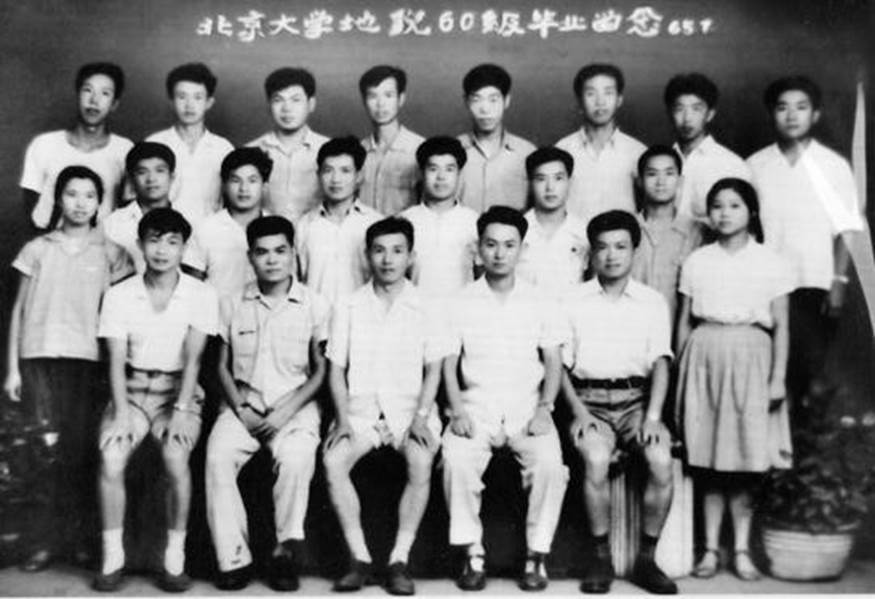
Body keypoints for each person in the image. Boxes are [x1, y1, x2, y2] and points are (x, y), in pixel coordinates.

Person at [4, 166, 134, 572]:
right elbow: (18, 310)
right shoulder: (37, 249)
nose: (80, 203)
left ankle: (78, 542)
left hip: (88, 363)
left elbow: (121, 315)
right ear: (58, 198)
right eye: (72, 194)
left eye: (89, 195)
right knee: (43, 452)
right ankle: (42, 542)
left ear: (99, 203)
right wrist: (12, 369)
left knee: (81, 453)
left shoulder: (112, 252)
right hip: (39, 358)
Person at [442, 206, 569, 592]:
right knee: (455, 459)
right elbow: (448, 363)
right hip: (475, 409)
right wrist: (457, 411)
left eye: (509, 245)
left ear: (522, 250)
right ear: (478, 249)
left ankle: (536, 556)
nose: (499, 253)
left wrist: (545, 409)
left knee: (550, 464)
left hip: (527, 410)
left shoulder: (540, 300)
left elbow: (553, 361)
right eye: (491, 244)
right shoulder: (460, 301)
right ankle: (472, 554)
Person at [93, 208, 218, 593]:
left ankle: (173, 561)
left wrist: (181, 411)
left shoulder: (201, 294)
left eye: (172, 242)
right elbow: (115, 361)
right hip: (131, 391)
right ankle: (113, 559)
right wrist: (120, 414)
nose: (162, 250)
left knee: (176, 456)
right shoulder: (119, 294)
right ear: (140, 244)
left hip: (178, 392)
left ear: (183, 248)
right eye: (153, 240)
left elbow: (194, 360)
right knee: (112, 456)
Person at [675, 178, 793, 580]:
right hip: (705, 357)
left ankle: (741, 549)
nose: (724, 213)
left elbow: (783, 326)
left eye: (734, 205)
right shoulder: (697, 261)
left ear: (751, 212)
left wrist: (777, 379)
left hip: (752, 358)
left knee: (744, 459)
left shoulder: (771, 262)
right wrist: (681, 372)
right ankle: (710, 550)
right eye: (717, 206)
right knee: (709, 460)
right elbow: (684, 321)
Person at [206, 216, 328, 592]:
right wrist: (241, 408)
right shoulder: (232, 303)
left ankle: (282, 554)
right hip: (242, 405)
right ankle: (234, 558)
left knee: (296, 459)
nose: (272, 260)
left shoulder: (315, 304)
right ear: (250, 257)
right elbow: (220, 365)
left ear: (293, 254)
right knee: (218, 457)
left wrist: (287, 411)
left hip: (295, 406)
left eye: (280, 251)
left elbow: (321, 370)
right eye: (262, 252)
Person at [324, 217, 445, 595]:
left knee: (421, 460)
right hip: (359, 413)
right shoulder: (349, 304)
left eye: (397, 251)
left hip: (410, 413)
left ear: (411, 256)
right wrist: (342, 421)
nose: (388, 260)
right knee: (333, 461)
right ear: (367, 256)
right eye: (379, 251)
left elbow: (434, 369)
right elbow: (335, 369)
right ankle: (358, 558)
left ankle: (398, 560)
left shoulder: (426, 305)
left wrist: (421, 419)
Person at [562, 210, 677, 594]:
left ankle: (646, 559)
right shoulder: (573, 300)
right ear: (591, 254)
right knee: (595, 458)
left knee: (660, 459)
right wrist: (579, 413)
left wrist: (653, 417)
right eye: (602, 248)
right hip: (588, 400)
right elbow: (560, 367)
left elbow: (661, 362)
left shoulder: (651, 301)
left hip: (636, 403)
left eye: (620, 247)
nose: (611, 255)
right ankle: (601, 557)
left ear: (633, 251)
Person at [747, 75, 863, 404]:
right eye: (782, 108)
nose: (791, 115)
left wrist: (839, 281)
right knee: (770, 368)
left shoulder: (834, 165)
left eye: (800, 107)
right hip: (766, 283)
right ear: (772, 114)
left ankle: (807, 431)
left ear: (815, 115)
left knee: (809, 370)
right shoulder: (755, 165)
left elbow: (847, 228)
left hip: (814, 278)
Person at [21, 62, 133, 228]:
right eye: (87, 90)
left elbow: (128, 208)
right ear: (78, 95)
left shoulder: (124, 150)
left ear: (114, 104)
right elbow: (29, 207)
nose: (94, 100)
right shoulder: (44, 144)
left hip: (103, 240)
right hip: (49, 238)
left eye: (105, 93)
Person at [296, 136, 382, 306]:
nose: (336, 179)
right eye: (328, 170)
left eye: (345, 171)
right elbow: (297, 281)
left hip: (362, 318)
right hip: (315, 318)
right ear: (318, 175)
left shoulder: (375, 223)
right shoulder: (304, 225)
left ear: (359, 176)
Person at [556, 63, 646, 226]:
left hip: (621, 240)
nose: (600, 101)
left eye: (608, 93)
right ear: (579, 102)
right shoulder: (563, 149)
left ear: (619, 99)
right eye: (591, 94)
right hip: (574, 240)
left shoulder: (637, 151)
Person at [145, 62, 233, 226]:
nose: (189, 105)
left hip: (211, 233)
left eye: (197, 97)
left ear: (209, 102)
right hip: (164, 232)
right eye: (182, 97)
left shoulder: (223, 148)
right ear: (171, 101)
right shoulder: (154, 143)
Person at [631, 145, 703, 333]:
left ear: (680, 181)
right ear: (639, 181)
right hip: (631, 335)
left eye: (669, 174)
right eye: (652, 174)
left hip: (679, 334)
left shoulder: (698, 232)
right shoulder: (625, 230)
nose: (661, 182)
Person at [183, 147, 273, 300]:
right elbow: (191, 285)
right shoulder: (206, 229)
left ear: (264, 186)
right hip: (216, 313)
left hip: (265, 313)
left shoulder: (276, 227)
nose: (244, 189)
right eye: (236, 180)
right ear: (224, 185)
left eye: (252, 181)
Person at [664, 73, 750, 221]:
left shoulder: (731, 164)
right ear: (669, 114)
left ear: (710, 114)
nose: (687, 118)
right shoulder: (660, 163)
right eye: (679, 109)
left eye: (696, 109)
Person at [400, 136, 478, 298]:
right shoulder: (404, 221)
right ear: (422, 173)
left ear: (459, 174)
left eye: (449, 169)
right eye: (433, 169)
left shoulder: (474, 222)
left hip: (463, 310)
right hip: (415, 309)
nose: (441, 177)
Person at [248, 67, 329, 221]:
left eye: (295, 100)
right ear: (268, 105)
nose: (287, 108)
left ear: (311, 104)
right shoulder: (251, 151)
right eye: (278, 100)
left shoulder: (329, 151)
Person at [457, 64, 536, 212]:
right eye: (476, 99)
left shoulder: (527, 152)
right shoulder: (452, 151)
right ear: (466, 101)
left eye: (493, 100)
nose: (485, 109)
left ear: (507, 101)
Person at [517, 147, 588, 296]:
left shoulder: (584, 233)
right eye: (541, 179)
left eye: (558, 178)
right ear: (530, 183)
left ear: (570, 182)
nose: (550, 187)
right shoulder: (514, 231)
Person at [358, 65, 425, 215]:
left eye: (388, 95)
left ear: (401, 99)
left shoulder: (419, 149)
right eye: (373, 96)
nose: (380, 104)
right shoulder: (357, 152)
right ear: (364, 101)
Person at [103, 141, 175, 272]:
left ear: (172, 177)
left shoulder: (190, 221)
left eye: (160, 171)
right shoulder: (112, 224)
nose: (151, 179)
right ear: (131, 179)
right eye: (142, 172)